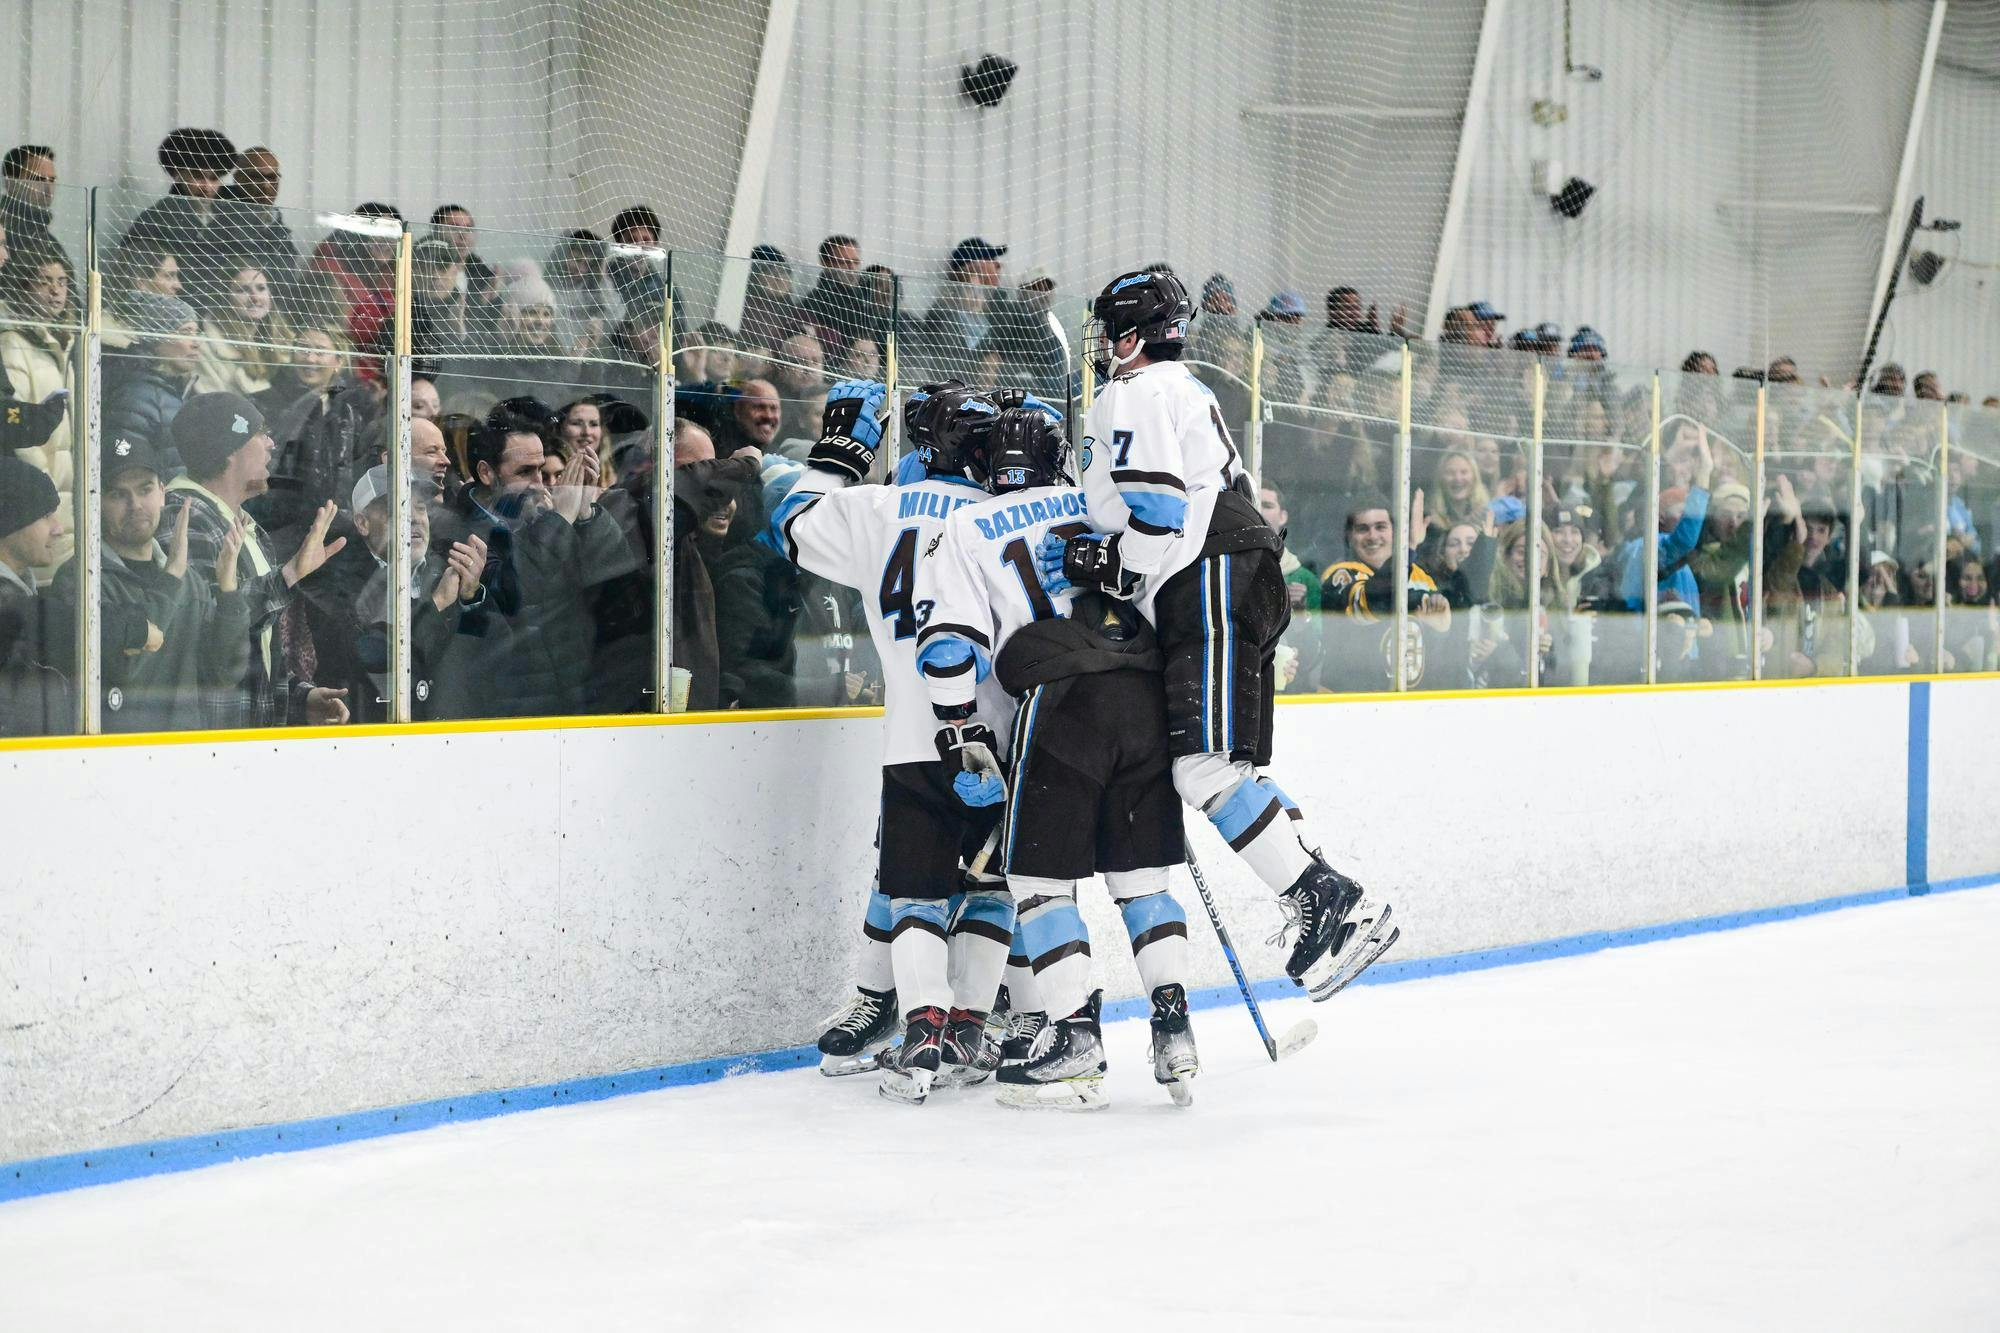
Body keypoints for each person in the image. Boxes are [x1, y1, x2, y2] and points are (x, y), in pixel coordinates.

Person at [1041, 268, 1397, 1004]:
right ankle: (1318, 892)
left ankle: (1320, 892)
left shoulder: (1132, 393)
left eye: (1111, 329)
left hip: (1205, 574)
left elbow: (1161, 508)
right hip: (1239, 570)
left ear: (1133, 336)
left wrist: (1107, 562)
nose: (1104, 343)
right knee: (1225, 766)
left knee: (1202, 769)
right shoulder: (1188, 388)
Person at [919, 402, 1199, 1110]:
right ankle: (1175, 1030)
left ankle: (1075, 1033)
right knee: (1142, 877)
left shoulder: (966, 524)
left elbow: (949, 644)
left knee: (1038, 879)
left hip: (1060, 703)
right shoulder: (1095, 504)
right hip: (1141, 689)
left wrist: (961, 731)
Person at [762, 380, 1017, 1097]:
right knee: (995, 883)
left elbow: (791, 521)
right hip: (1004, 733)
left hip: (912, 733)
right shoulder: (1004, 512)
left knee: (914, 892)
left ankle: (922, 1028)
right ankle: (971, 1025)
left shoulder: (878, 507)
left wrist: (841, 454)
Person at [432, 406, 640, 718]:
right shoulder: (457, 534)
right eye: (524, 472)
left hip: (572, 704)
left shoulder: (542, 518)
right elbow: (517, 594)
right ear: (487, 473)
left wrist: (585, 515)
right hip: (507, 715)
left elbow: (618, 581)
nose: (539, 483)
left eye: (541, 470)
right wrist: (561, 518)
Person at [160, 393, 350, 728]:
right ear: (229, 452)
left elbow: (253, 648)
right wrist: (290, 574)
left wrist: (298, 698)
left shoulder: (245, 526)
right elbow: (212, 625)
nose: (271, 444)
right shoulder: (185, 516)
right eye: (259, 434)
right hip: (207, 743)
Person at [52, 433, 251, 732]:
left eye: (144, 490)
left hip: (182, 755)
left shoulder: (190, 580)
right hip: (109, 757)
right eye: (118, 494)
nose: (135, 505)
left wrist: (229, 594)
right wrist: (170, 579)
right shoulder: (80, 578)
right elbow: (127, 674)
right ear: (96, 502)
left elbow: (224, 674)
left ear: (162, 492)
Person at [0, 242, 79, 576]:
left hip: (67, 495)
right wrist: (45, 500)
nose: (55, 290)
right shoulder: (12, 341)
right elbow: (19, 429)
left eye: (61, 282)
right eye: (44, 280)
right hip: (40, 501)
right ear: (24, 286)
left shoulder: (65, 342)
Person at [0, 455, 71, 734]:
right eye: (45, 515)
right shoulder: (10, 604)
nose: (59, 528)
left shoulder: (22, 591)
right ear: (9, 523)